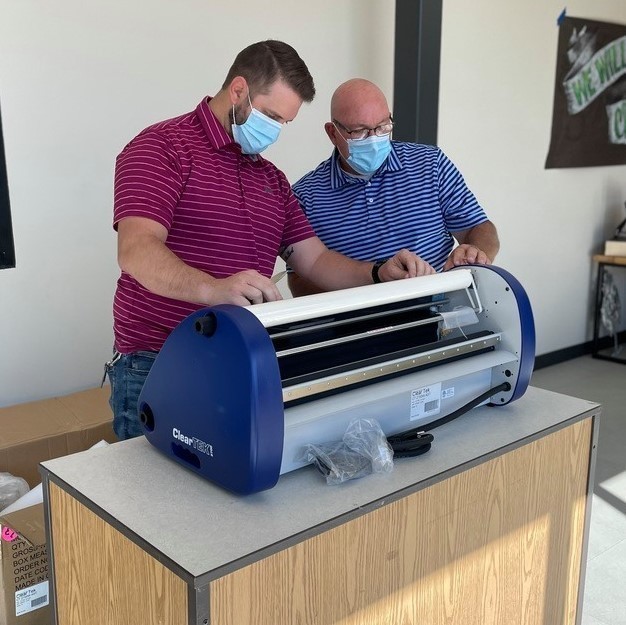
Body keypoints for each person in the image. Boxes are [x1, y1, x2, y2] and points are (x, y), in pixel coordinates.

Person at [106, 42, 429, 440]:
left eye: (284, 123)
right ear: (238, 91)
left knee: (227, 493)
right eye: (271, 116)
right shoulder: (163, 148)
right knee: (155, 499)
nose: (275, 132)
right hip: (159, 364)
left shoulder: (271, 180)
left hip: (241, 362)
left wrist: (379, 273)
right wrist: (214, 289)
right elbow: (137, 250)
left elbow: (315, 262)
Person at [288, 78, 499, 297]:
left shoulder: (429, 164)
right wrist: (377, 280)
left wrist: (474, 252)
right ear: (333, 133)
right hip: (354, 325)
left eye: (383, 127)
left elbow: (480, 228)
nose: (374, 139)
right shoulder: (306, 196)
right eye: (359, 131)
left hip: (438, 313)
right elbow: (299, 281)